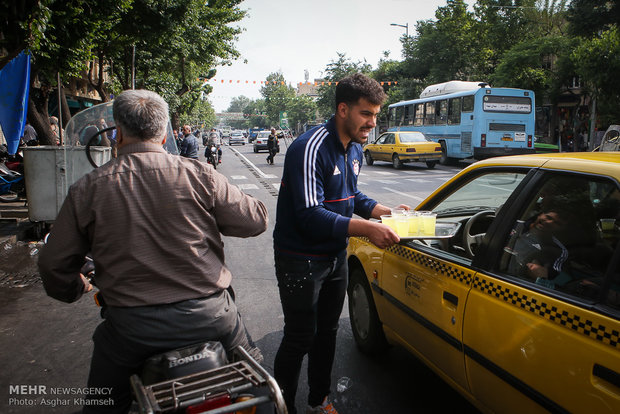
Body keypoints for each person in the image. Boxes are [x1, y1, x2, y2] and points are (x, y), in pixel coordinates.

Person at [38, 89, 268, 413]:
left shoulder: (88, 188)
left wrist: (77, 287)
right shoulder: (200, 174)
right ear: (165, 133)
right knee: (260, 385)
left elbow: (53, 264)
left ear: (117, 132)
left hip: (130, 330)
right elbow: (256, 220)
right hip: (212, 317)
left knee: (102, 405)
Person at [272, 73, 406, 414]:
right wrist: (367, 230)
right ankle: (283, 406)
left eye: (376, 115)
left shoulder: (356, 149)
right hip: (299, 259)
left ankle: (318, 401)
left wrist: (387, 213)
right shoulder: (309, 147)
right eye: (366, 114)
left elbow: (352, 196)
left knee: (327, 332)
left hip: (334, 257)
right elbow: (309, 214)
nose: (372, 123)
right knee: (300, 336)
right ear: (343, 109)